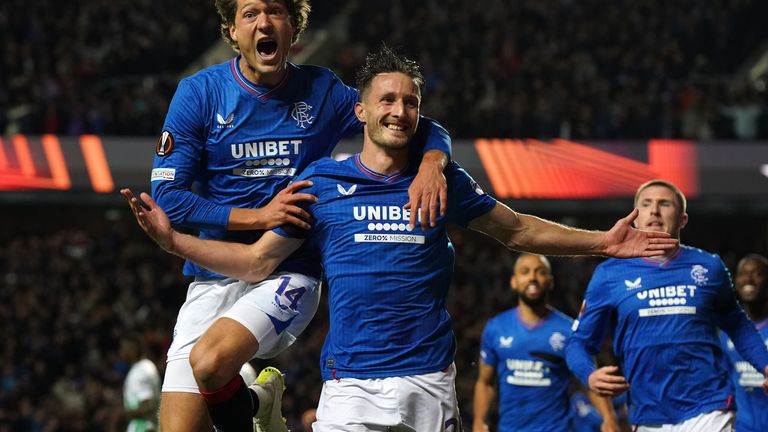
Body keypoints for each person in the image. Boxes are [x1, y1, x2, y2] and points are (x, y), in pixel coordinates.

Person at [124, 46, 677, 431]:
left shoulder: (442, 181)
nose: (399, 110)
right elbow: (254, 262)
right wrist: (176, 243)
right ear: (358, 110)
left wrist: (603, 242)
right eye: (387, 100)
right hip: (349, 387)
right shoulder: (321, 183)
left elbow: (519, 229)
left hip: (428, 380)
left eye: (410, 102)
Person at [150, 0, 452, 431]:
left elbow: (409, 120)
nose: (264, 22)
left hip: (288, 270)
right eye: (250, 13)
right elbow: (169, 196)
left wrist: (431, 164)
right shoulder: (199, 92)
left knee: (212, 361)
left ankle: (254, 409)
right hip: (213, 273)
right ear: (232, 31)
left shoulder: (323, 92)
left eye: (275, 11)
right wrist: (258, 216)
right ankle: (258, 408)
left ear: (294, 28)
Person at [565, 180, 768, 431]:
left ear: (682, 219)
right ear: (635, 217)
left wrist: (765, 364)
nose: (654, 211)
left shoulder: (709, 266)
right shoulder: (609, 274)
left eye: (664, 204)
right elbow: (579, 342)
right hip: (648, 412)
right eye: (646, 204)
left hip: (709, 407)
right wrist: (589, 375)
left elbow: (738, 325)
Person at [472, 253, 619, 432]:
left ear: (550, 281)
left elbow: (589, 378)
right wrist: (479, 421)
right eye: (525, 272)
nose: (533, 277)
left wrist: (608, 418)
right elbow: (485, 382)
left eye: (540, 272)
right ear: (514, 281)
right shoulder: (496, 327)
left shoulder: (569, 330)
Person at [720, 254, 768, 432]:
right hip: (741, 426)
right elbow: (724, 380)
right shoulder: (724, 333)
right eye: (743, 274)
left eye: (757, 273)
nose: (748, 279)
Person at [119, 333, 161, 432]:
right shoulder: (144, 366)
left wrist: (120, 414)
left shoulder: (140, 371)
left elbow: (148, 407)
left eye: (123, 347)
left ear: (132, 349)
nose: (120, 352)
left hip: (144, 428)